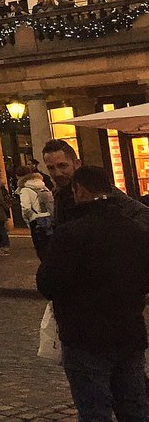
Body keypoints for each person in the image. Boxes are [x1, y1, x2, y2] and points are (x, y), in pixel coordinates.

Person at [37, 165, 149, 422]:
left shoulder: (70, 233)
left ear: (79, 191)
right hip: (128, 332)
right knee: (134, 406)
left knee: (94, 410)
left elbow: (47, 283)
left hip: (84, 336)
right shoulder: (133, 229)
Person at [17, 167, 55, 260]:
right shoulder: (42, 184)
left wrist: (28, 220)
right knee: (50, 246)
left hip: (36, 219)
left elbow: (25, 207)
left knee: (41, 249)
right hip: (48, 217)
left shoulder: (25, 189)